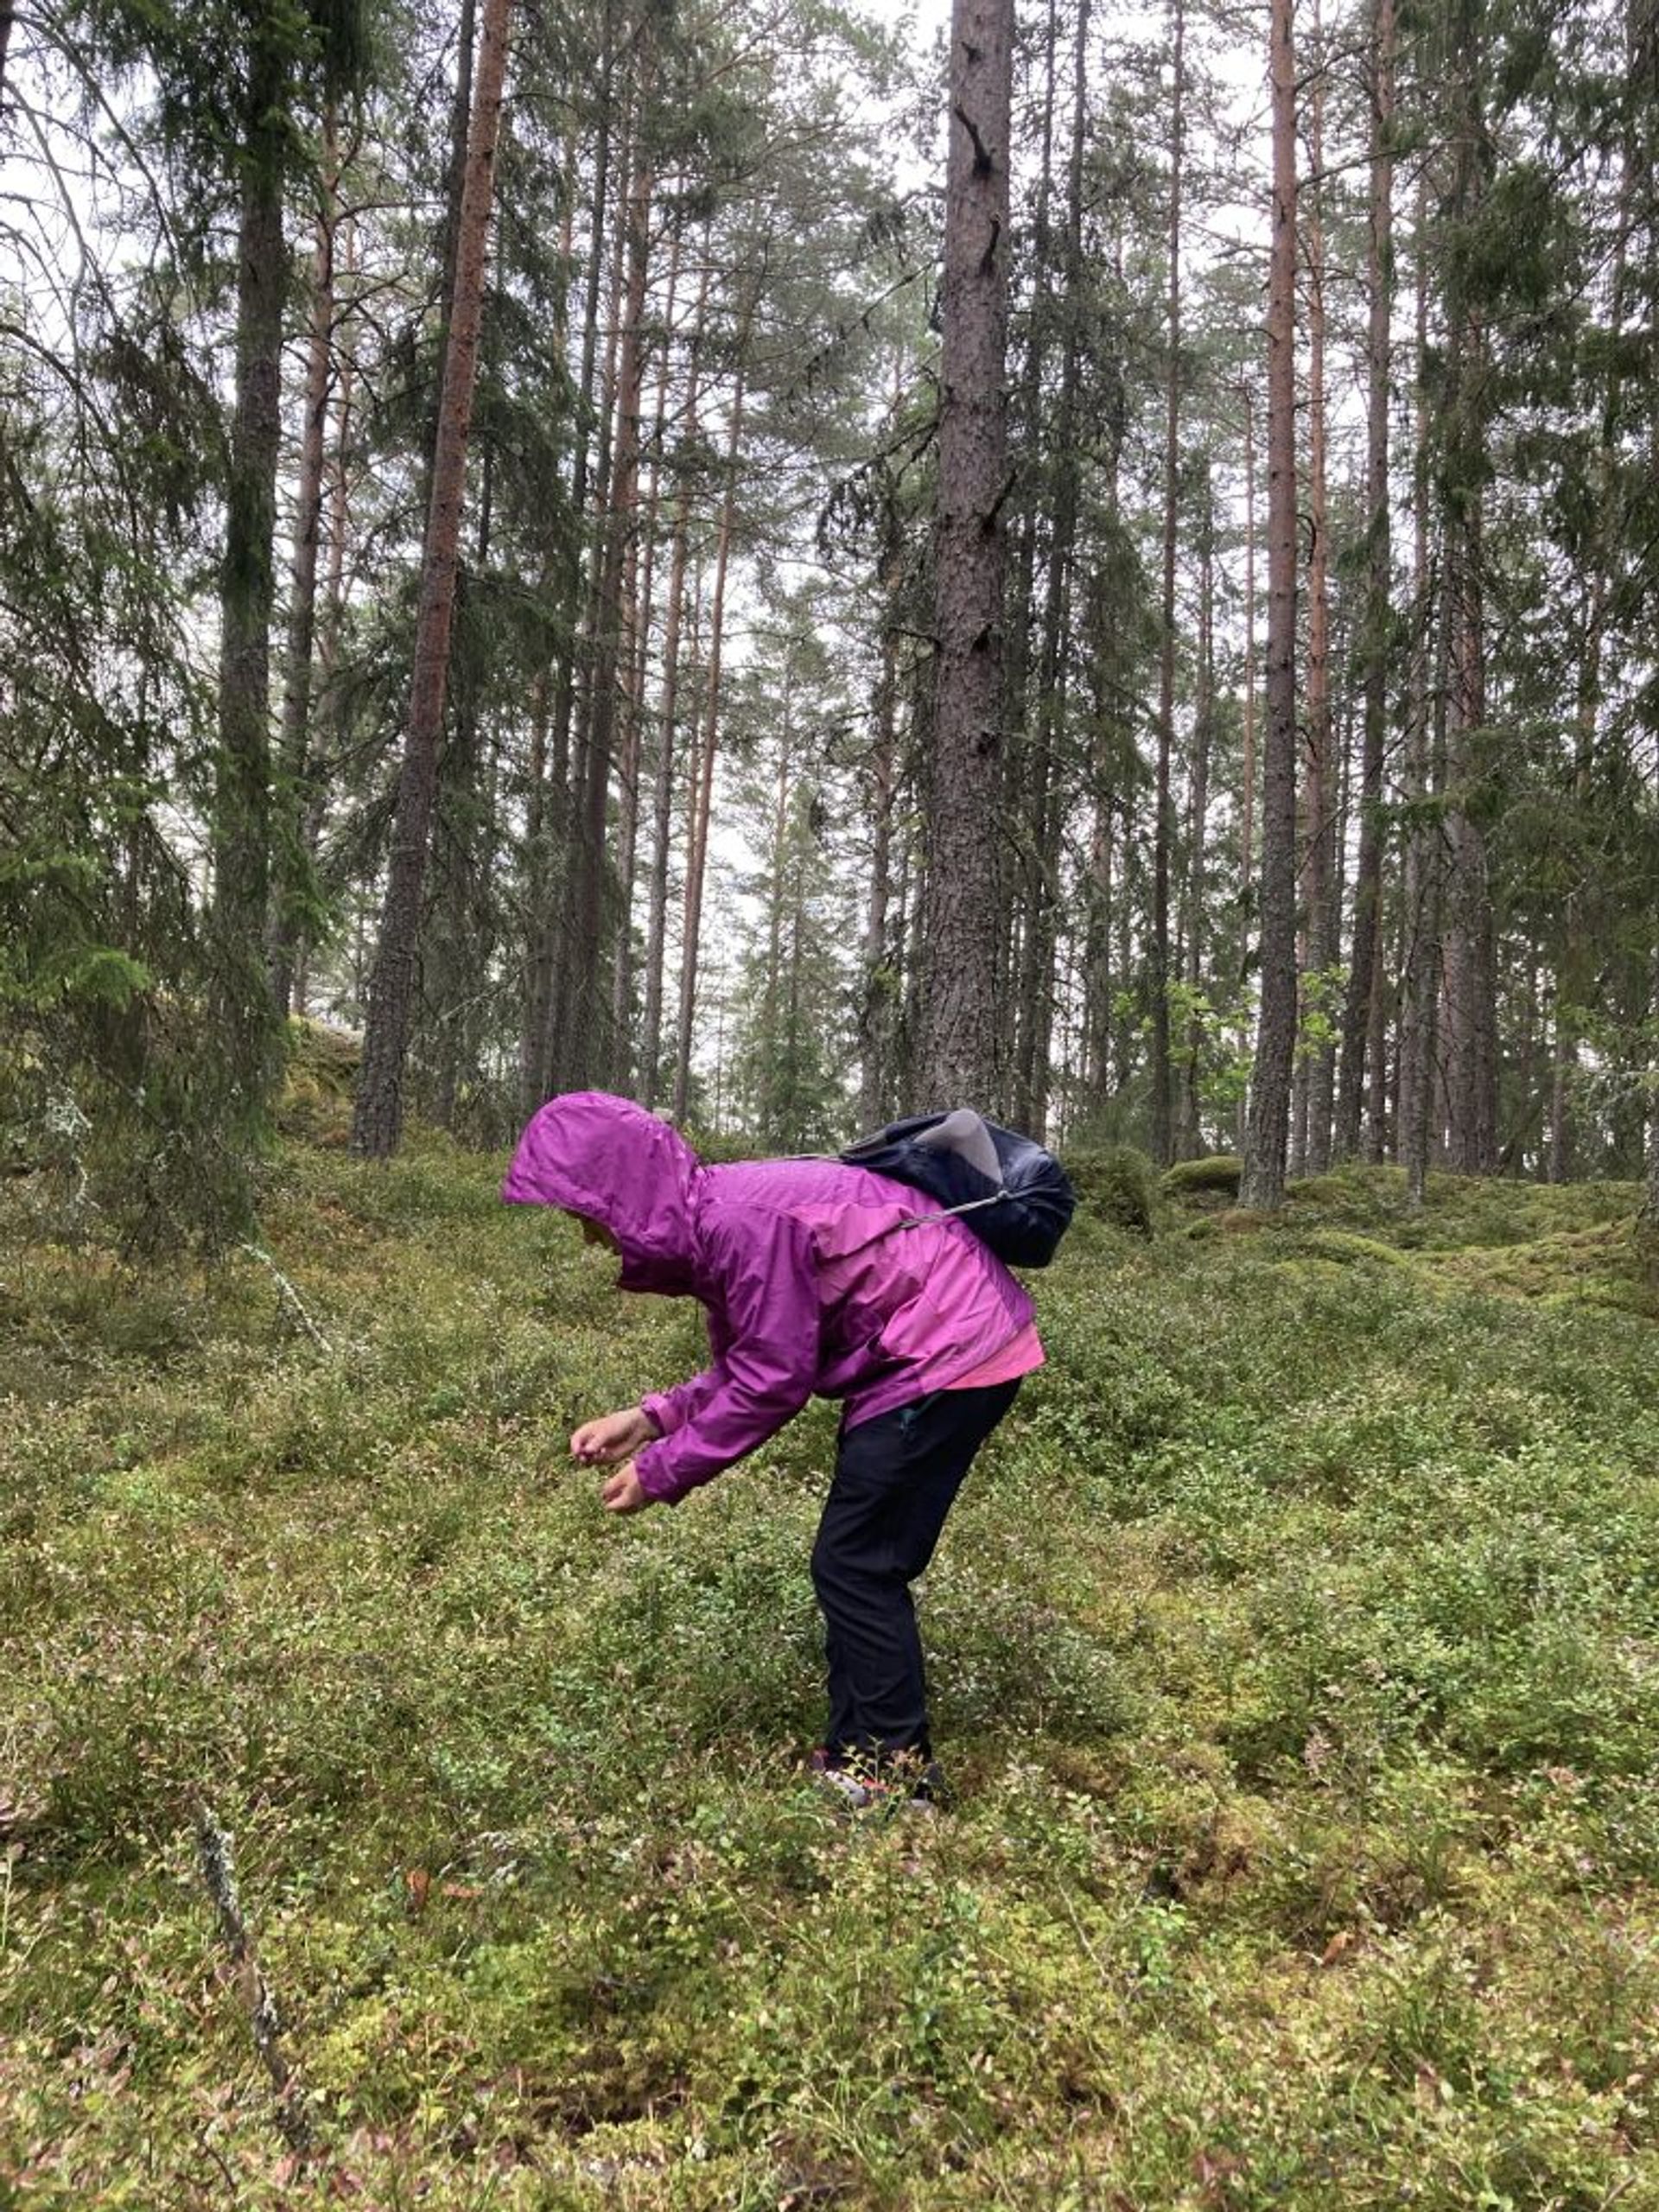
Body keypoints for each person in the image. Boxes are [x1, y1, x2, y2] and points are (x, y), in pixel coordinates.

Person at [502, 1090, 1043, 1808]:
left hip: (947, 1354)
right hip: (934, 1354)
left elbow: (773, 1383)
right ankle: (860, 1755)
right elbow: (755, 1360)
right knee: (856, 1560)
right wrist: (649, 1419)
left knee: (858, 1564)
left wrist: (662, 1473)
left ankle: (896, 1778)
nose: (588, 1239)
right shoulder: (717, 1218)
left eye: (587, 1218)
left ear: (620, 1194)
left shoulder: (736, 1222)